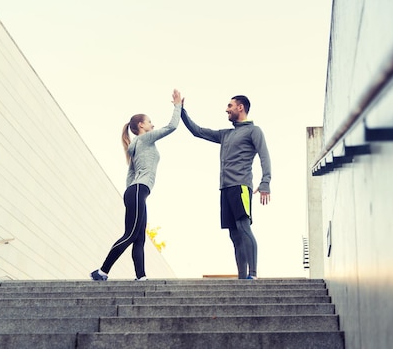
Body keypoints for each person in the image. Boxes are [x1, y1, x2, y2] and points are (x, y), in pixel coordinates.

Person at [90, 89, 183, 281]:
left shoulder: (135, 145)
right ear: (141, 125)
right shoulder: (145, 138)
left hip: (136, 191)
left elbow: (130, 174)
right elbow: (172, 126)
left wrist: (130, 194)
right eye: (149, 121)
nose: (152, 124)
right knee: (131, 234)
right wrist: (177, 105)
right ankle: (101, 271)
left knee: (140, 237)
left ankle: (141, 277)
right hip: (138, 191)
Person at [181, 95, 271, 279]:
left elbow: (264, 156)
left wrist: (265, 183)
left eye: (230, 106)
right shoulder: (226, 134)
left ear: (241, 107)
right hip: (225, 188)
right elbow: (197, 131)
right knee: (234, 235)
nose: (226, 109)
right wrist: (181, 111)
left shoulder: (254, 131)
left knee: (244, 228)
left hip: (241, 186)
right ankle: (241, 278)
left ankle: (252, 275)